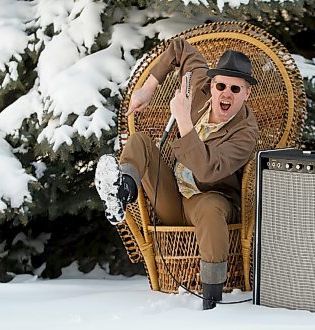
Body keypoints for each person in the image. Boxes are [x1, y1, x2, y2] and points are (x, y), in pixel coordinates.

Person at [94, 37, 259, 310]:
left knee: (209, 208)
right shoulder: (197, 87)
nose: (226, 94)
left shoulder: (245, 133)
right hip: (172, 196)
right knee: (140, 141)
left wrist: (183, 117)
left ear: (246, 93)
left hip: (210, 199)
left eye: (235, 88)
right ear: (212, 84)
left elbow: (207, 170)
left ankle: (212, 296)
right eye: (220, 85)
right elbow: (179, 48)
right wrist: (147, 89)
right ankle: (122, 191)